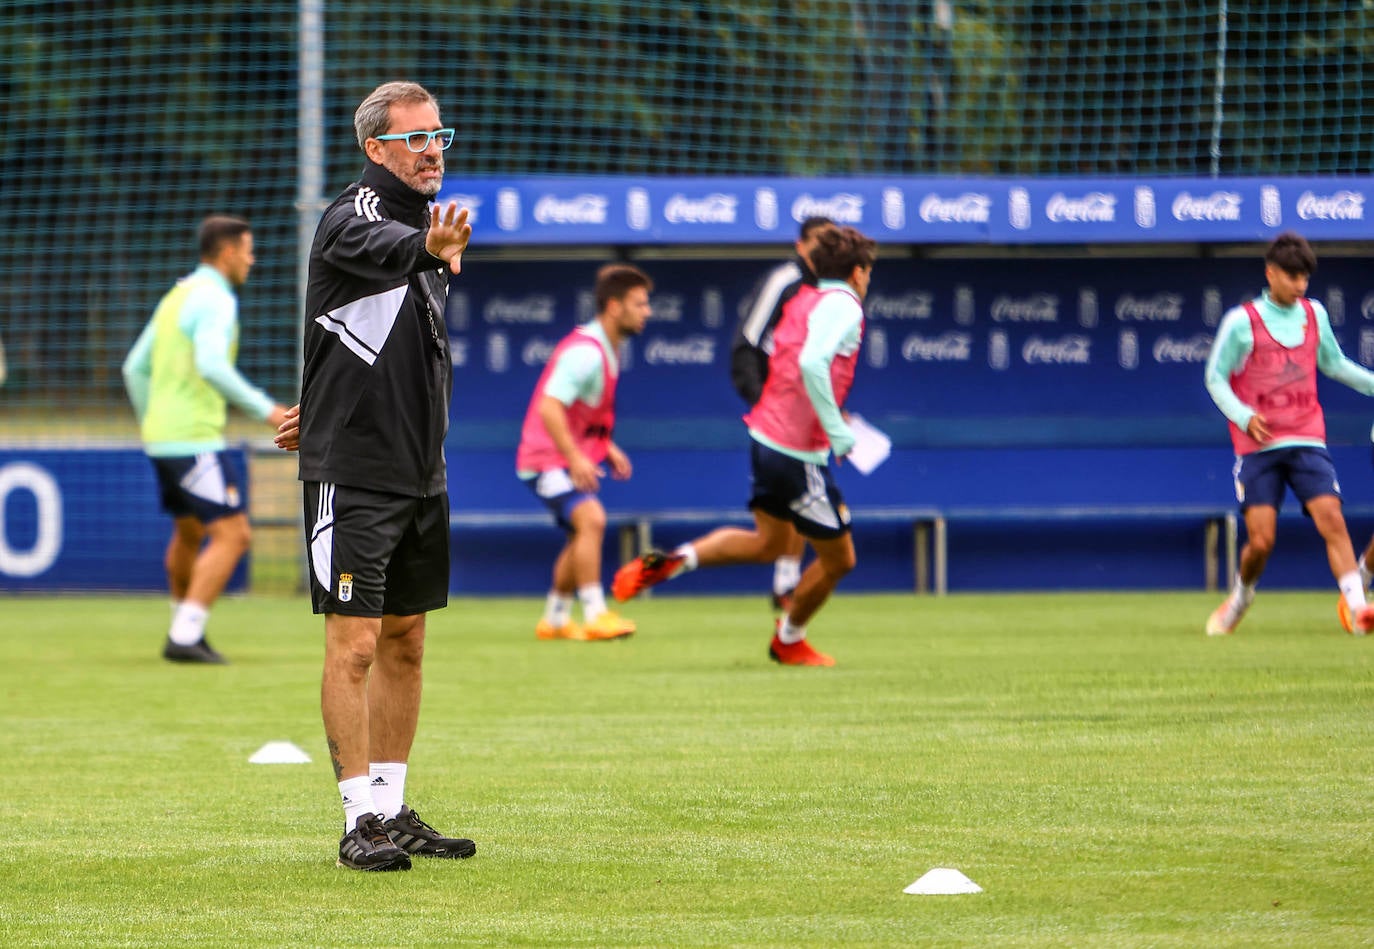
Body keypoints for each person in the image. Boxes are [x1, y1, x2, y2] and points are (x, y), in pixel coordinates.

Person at [294, 81, 476, 872]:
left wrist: (316, 399)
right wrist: (428, 249)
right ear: (377, 150)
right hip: (356, 474)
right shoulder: (361, 215)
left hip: (419, 473)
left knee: (406, 640)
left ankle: (394, 809)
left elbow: (362, 338)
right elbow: (368, 255)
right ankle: (356, 819)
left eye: (440, 135)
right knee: (356, 645)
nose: (433, 149)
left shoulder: (425, 234)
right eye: (416, 138)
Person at [612, 225, 877, 666]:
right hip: (797, 454)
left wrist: (822, 414)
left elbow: (791, 365)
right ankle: (789, 639)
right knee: (840, 560)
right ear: (857, 273)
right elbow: (812, 363)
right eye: (869, 272)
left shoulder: (805, 298)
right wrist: (837, 430)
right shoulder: (845, 304)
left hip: (766, 439)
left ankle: (678, 559)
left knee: (769, 544)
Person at [121, 215, 289, 665]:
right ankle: (185, 634)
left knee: (190, 532)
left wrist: (153, 423)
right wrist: (267, 410)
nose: (253, 260)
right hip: (193, 437)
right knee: (234, 535)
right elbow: (212, 366)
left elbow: (133, 368)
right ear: (228, 251)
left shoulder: (178, 295)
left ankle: (182, 622)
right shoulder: (216, 299)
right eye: (249, 250)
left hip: (162, 437)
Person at [1203, 230, 1374, 637]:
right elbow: (1214, 377)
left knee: (1331, 516)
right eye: (1293, 277)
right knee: (1261, 542)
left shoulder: (1314, 314)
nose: (1300, 286)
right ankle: (1241, 598)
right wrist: (1244, 416)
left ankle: (1358, 609)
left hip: (1307, 439)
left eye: (1305, 279)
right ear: (1271, 273)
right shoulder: (1241, 321)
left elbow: (1335, 364)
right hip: (1258, 447)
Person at [517, 263, 653, 642]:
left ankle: (556, 619)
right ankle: (595, 613)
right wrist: (576, 458)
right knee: (591, 518)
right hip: (546, 459)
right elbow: (549, 406)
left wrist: (603, 445)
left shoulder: (604, 348)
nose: (648, 312)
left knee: (582, 532)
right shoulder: (587, 352)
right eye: (640, 304)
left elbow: (579, 409)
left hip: (556, 456)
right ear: (614, 307)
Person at [731, 216, 836, 611]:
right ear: (801, 244)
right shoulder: (785, 281)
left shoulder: (830, 291)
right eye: (819, 241)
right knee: (788, 510)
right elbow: (746, 343)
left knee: (803, 498)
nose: (825, 248)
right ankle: (784, 584)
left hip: (806, 414)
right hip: (775, 414)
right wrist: (760, 400)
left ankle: (787, 582)